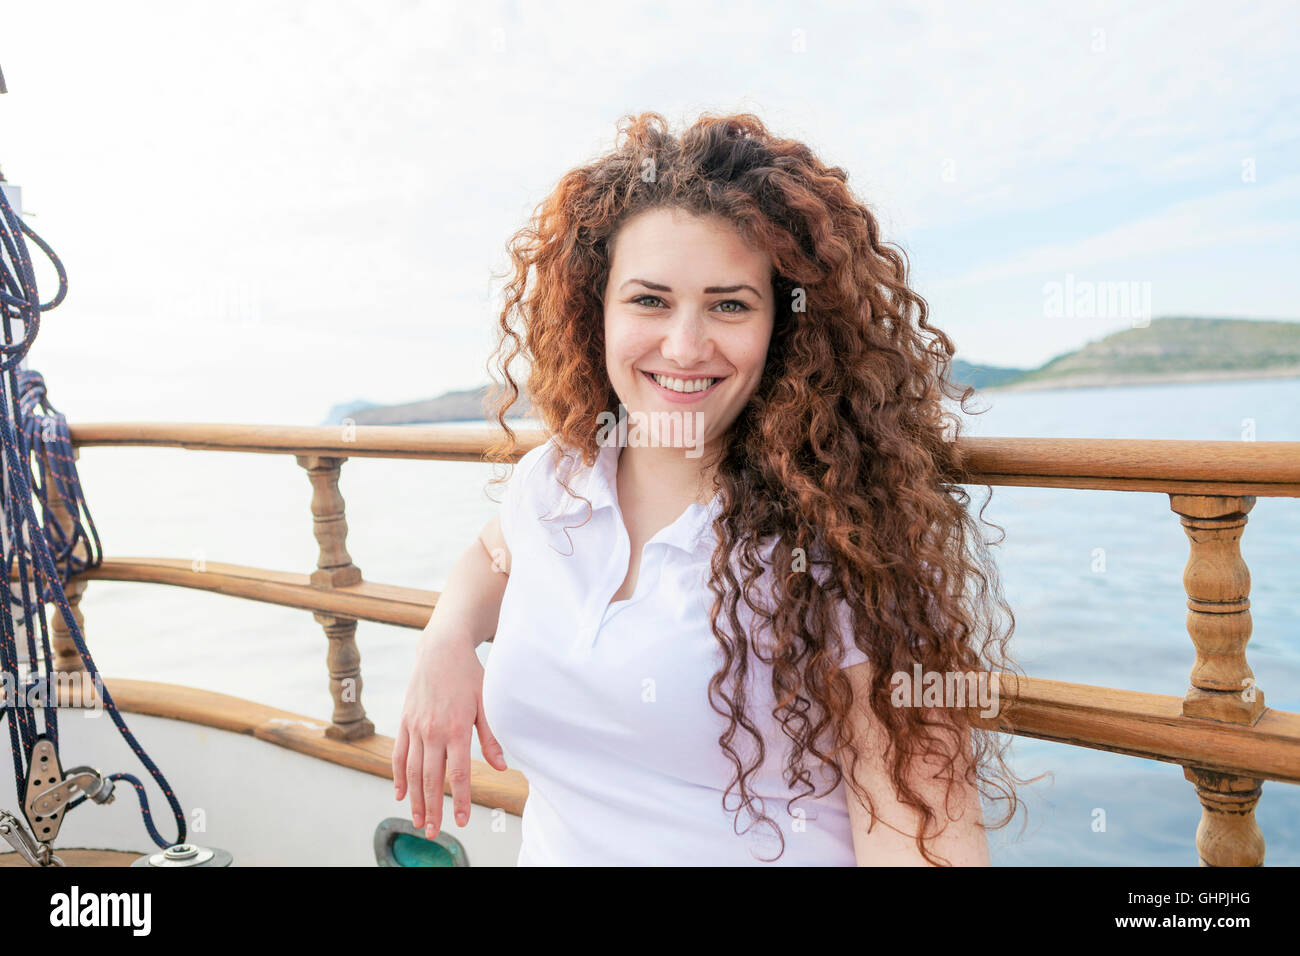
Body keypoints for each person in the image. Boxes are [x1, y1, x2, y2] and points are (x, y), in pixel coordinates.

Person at [394, 111, 1028, 865]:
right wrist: (446, 639)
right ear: (592, 310)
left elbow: (927, 845)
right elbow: (491, 557)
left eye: (730, 304)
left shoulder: (846, 539)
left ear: (784, 328)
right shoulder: (558, 480)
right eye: (649, 301)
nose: (686, 347)